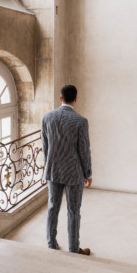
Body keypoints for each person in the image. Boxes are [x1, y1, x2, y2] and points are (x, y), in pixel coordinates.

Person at [41, 85, 92, 255]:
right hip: (74, 173)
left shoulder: (47, 117)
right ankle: (73, 249)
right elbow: (84, 150)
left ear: (60, 98)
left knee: (52, 207)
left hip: (53, 171)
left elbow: (45, 147)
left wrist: (48, 167)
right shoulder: (81, 121)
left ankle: (51, 243)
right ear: (76, 99)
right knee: (73, 211)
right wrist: (88, 173)